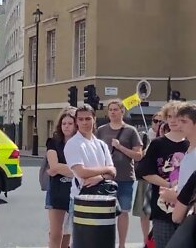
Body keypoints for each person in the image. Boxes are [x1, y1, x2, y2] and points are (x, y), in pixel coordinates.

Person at [136, 101, 189, 248]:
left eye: (176, 116)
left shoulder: (191, 144)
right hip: (162, 208)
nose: (172, 120)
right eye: (169, 116)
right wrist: (169, 185)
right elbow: (144, 171)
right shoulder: (157, 143)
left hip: (187, 209)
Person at [96, 99, 143, 248]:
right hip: (105, 177)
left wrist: (120, 147)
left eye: (116, 109)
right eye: (110, 109)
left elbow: (138, 155)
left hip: (125, 177)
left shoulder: (131, 130)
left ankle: (122, 244)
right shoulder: (101, 130)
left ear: (122, 111)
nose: (113, 112)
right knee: (104, 212)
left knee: (123, 211)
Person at [64, 104, 117, 228]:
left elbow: (113, 172)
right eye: (81, 119)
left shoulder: (101, 145)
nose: (84, 122)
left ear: (94, 119)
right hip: (82, 199)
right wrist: (106, 170)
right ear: (76, 121)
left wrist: (100, 177)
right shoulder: (73, 144)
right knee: (82, 241)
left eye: (88, 119)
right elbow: (81, 172)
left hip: (103, 198)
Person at [46, 107, 77, 248]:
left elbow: (83, 169)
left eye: (70, 123)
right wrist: (75, 169)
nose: (66, 126)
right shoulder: (53, 142)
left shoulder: (79, 143)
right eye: (64, 123)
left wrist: (61, 168)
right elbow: (53, 166)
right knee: (55, 233)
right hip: (57, 191)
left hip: (75, 192)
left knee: (68, 232)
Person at [132, 112, 163, 243]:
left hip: (162, 179)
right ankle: (146, 240)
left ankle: (155, 238)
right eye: (156, 121)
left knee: (160, 211)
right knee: (144, 212)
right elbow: (139, 156)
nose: (159, 124)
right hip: (146, 179)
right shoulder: (145, 136)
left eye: (161, 121)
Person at [159, 103, 196, 209]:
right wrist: (175, 189)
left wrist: (175, 197)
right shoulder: (189, 149)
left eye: (183, 121)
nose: (179, 125)